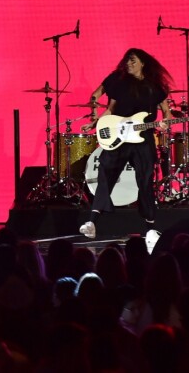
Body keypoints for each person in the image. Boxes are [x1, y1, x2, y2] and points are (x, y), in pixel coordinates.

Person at [80, 48, 173, 251]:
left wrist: (165, 122)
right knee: (105, 171)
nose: (128, 64)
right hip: (119, 137)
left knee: (145, 180)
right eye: (127, 61)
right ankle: (92, 222)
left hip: (143, 138)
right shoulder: (119, 81)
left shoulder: (154, 86)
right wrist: (97, 121)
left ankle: (150, 228)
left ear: (142, 63)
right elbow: (109, 106)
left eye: (132, 61)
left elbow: (166, 111)